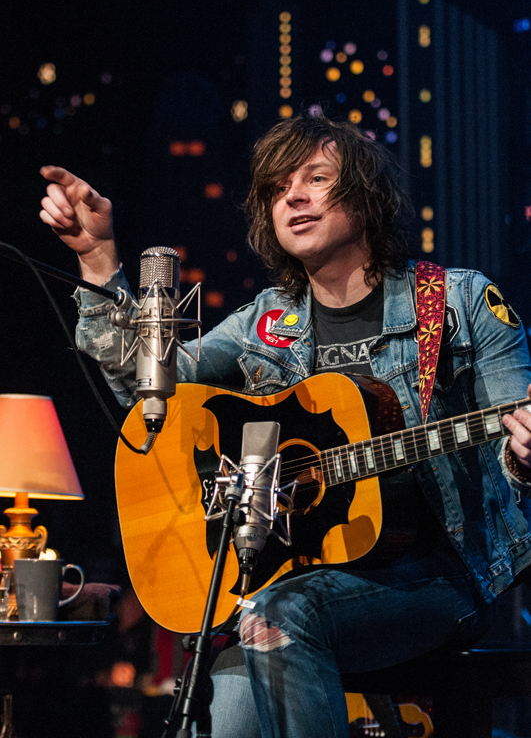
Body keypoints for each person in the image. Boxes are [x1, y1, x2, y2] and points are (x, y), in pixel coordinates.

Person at [40, 115, 531, 738]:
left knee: (278, 618)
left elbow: (516, 449)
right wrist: (98, 260)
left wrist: (522, 458)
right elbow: (150, 392)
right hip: (292, 580)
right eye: (278, 187)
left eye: (317, 178)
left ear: (365, 197)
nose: (292, 196)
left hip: (438, 579)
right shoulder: (266, 322)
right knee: (225, 696)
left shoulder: (459, 304)